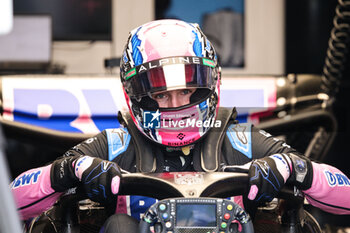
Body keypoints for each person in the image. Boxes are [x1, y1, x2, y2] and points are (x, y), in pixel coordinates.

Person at [10, 19, 350, 233]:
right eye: (161, 94)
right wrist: (66, 173)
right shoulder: (114, 145)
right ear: (136, 95)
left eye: (187, 91)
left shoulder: (241, 140)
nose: (176, 104)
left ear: (209, 85)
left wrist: (297, 169)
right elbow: (8, 205)